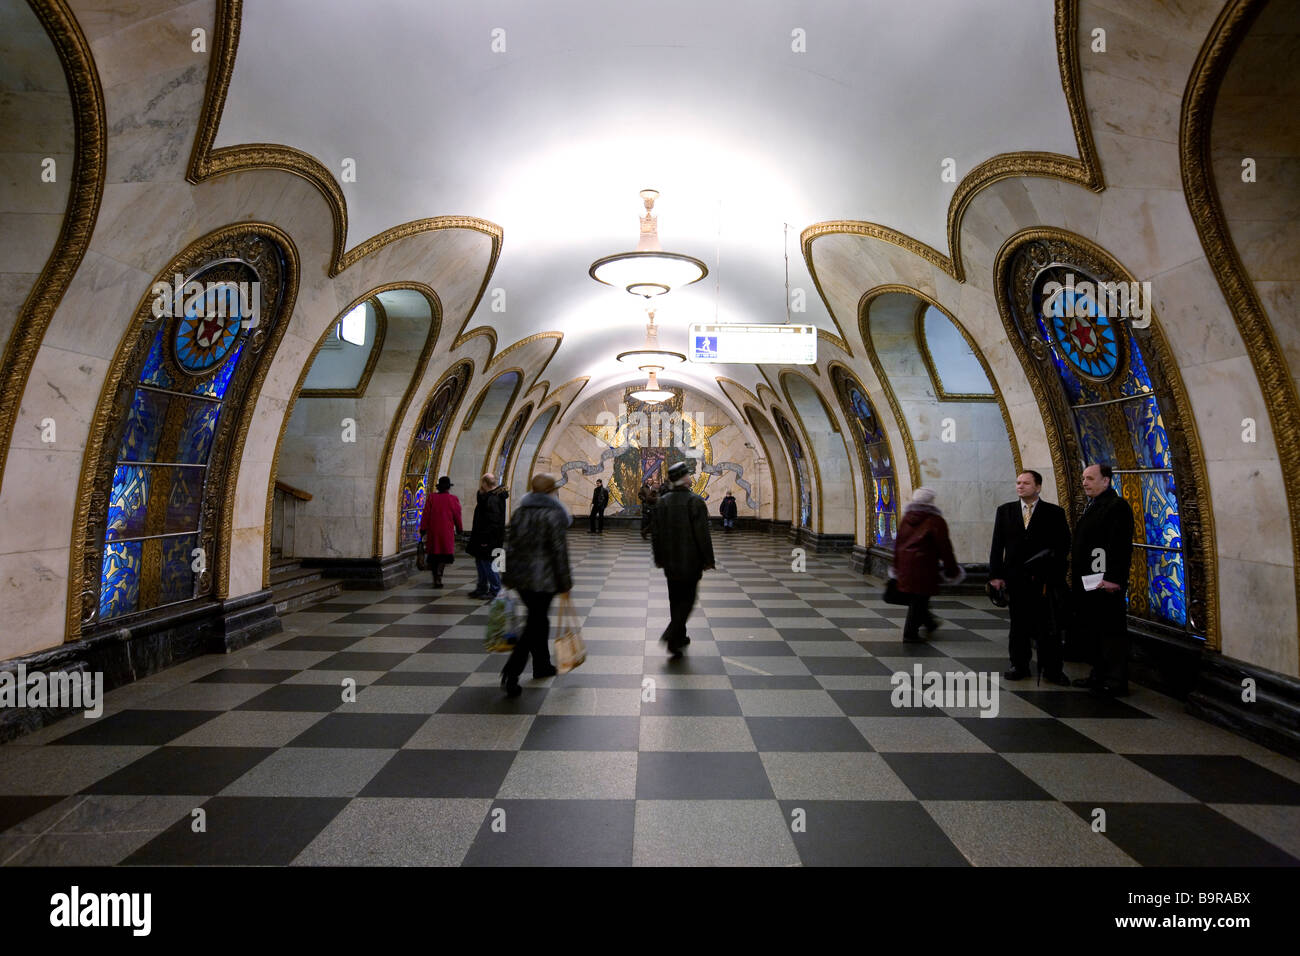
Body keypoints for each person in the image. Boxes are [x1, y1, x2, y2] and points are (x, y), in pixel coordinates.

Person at [988, 470, 1071, 684]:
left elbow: (1062, 546)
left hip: (1043, 580)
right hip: (1015, 578)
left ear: (1038, 487)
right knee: (1018, 625)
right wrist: (995, 575)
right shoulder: (1005, 511)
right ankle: (1019, 665)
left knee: (1048, 627)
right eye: (1018, 482)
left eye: (1026, 483)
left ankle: (1052, 669)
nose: (1020, 486)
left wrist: (1054, 573)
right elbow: (997, 545)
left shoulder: (1054, 513)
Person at [500, 473, 572, 697]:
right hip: (544, 579)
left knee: (538, 619)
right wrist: (565, 582)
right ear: (552, 491)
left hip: (522, 579)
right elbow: (559, 552)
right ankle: (512, 670)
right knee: (535, 623)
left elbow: (510, 547)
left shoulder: (520, 512)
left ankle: (542, 665)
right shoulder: (554, 514)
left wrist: (507, 575)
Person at [1070, 463, 1135, 697]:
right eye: (1083, 478)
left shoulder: (1117, 507)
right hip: (1089, 581)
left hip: (1106, 583)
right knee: (1094, 629)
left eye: (1090, 478)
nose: (1084, 482)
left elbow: (1119, 546)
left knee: (1111, 631)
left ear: (1106, 480)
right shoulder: (1094, 505)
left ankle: (1116, 679)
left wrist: (1113, 578)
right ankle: (1098, 674)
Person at [650, 460, 715, 657]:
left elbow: (656, 534)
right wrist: (708, 560)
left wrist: (659, 558)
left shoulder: (663, 502)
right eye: (688, 474)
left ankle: (679, 638)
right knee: (688, 599)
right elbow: (702, 534)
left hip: (670, 562)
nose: (690, 477)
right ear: (684, 479)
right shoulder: (695, 502)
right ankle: (671, 634)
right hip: (691, 561)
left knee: (675, 599)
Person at [892, 487, 962, 642]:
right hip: (924, 566)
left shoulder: (906, 518)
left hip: (905, 564)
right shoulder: (935, 520)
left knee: (918, 598)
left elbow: (898, 543)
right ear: (931, 501)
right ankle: (910, 634)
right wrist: (952, 569)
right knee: (920, 598)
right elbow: (944, 546)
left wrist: (896, 565)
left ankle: (929, 623)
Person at [466, 472, 508, 600]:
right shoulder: (489, 496)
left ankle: (496, 589)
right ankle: (482, 588)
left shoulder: (493, 499)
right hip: (485, 536)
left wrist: (485, 539)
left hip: (489, 537)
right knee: (481, 561)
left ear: (485, 483)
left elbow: (492, 521)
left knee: (488, 563)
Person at [419, 475, 462, 588]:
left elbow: (425, 515)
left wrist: (423, 528)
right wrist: (459, 528)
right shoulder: (453, 499)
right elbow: (457, 516)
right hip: (446, 532)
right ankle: (439, 576)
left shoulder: (432, 498)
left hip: (433, 532)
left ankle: (435, 578)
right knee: (443, 555)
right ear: (448, 488)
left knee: (434, 555)